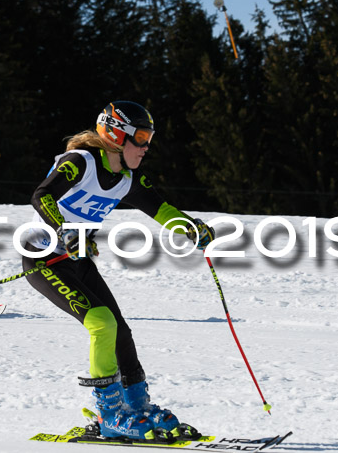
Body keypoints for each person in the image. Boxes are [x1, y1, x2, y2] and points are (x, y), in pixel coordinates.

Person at [22, 101, 215, 440]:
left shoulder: (127, 178)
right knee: (102, 323)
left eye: (149, 138)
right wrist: (63, 231)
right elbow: (42, 196)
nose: (146, 147)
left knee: (120, 332)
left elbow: (161, 208)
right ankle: (110, 413)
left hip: (77, 259)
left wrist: (190, 227)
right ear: (116, 134)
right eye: (140, 137)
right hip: (43, 259)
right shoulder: (80, 163)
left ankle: (137, 406)